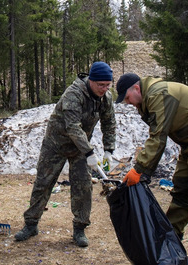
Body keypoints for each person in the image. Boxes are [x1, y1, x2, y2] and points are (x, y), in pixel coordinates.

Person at [115, 73, 188, 265]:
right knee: (181, 192)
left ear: (137, 88)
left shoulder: (159, 94)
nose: (128, 103)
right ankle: (171, 241)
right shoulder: (147, 99)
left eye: (128, 98)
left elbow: (158, 136)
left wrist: (140, 170)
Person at [14, 61, 116, 247]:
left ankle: (80, 228)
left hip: (80, 148)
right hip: (56, 144)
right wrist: (90, 152)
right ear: (91, 81)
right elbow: (73, 127)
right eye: (101, 85)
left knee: (83, 186)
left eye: (107, 85)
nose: (104, 89)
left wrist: (109, 150)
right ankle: (31, 224)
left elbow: (109, 123)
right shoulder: (74, 94)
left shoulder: (105, 97)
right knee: (43, 183)